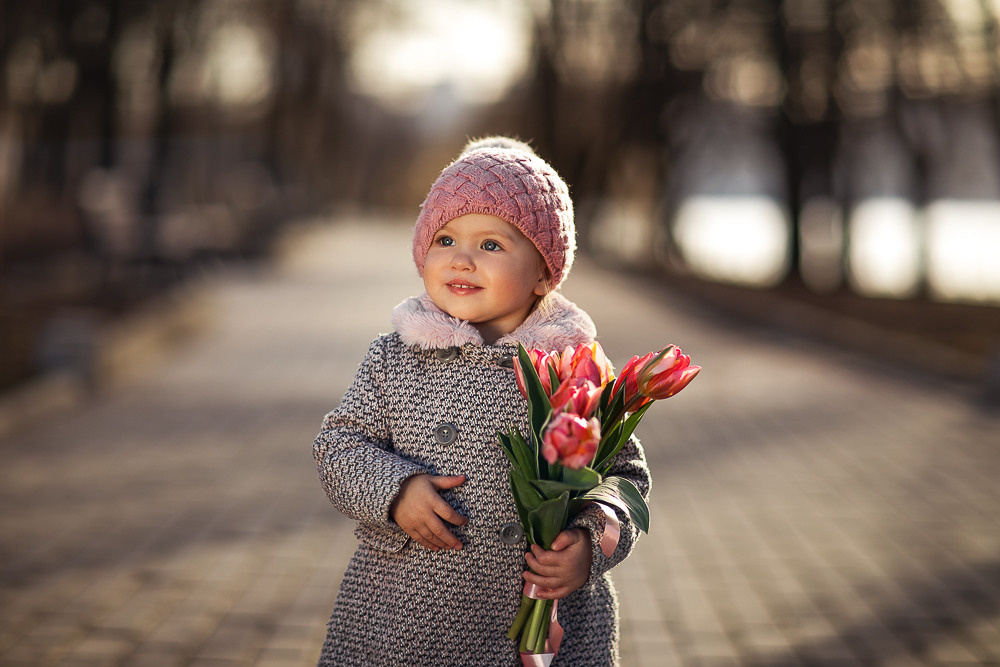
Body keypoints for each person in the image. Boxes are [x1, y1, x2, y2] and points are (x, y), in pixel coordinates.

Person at [312, 137, 651, 666]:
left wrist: (589, 546)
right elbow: (338, 444)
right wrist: (395, 491)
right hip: (405, 615)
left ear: (543, 271)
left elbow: (625, 476)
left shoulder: (573, 367)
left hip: (538, 620)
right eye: (444, 239)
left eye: (491, 245)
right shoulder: (397, 356)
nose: (462, 259)